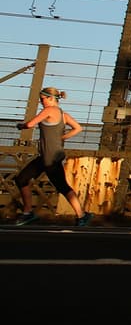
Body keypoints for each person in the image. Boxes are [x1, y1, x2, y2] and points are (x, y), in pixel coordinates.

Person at [12, 87, 92, 226]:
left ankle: (82, 215)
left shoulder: (49, 110)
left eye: (42, 99)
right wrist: (63, 137)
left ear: (51, 98)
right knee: (21, 179)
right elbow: (78, 128)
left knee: (62, 187)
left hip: (50, 158)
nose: (41, 102)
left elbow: (31, 124)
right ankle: (28, 212)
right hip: (46, 157)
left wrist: (21, 126)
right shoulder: (63, 114)